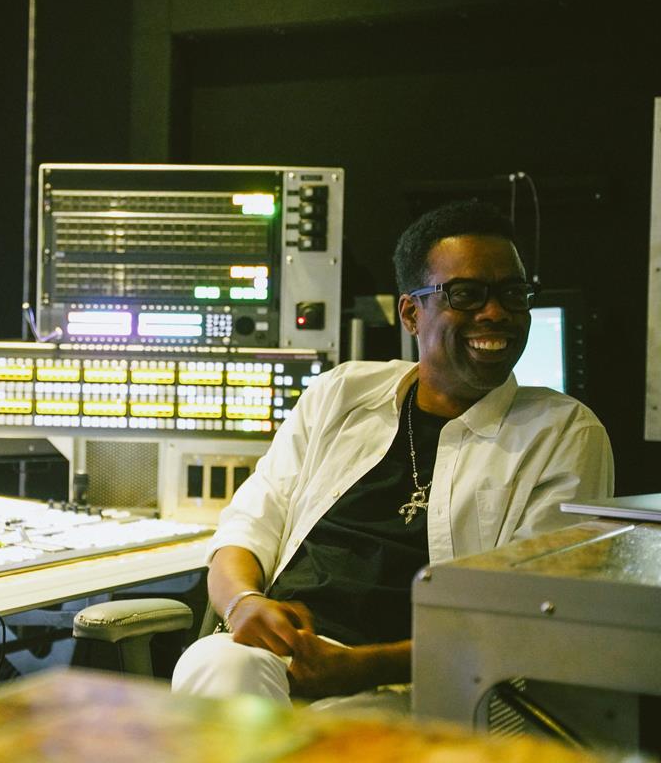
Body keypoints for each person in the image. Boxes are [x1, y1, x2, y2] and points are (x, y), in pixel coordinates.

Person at [171, 200, 614, 710]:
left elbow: (534, 616)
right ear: (411, 312)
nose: (495, 313)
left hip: (424, 680)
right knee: (221, 664)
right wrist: (244, 602)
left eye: (512, 294)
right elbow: (246, 530)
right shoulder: (340, 393)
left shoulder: (562, 433)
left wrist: (364, 667)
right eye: (466, 295)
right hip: (277, 660)